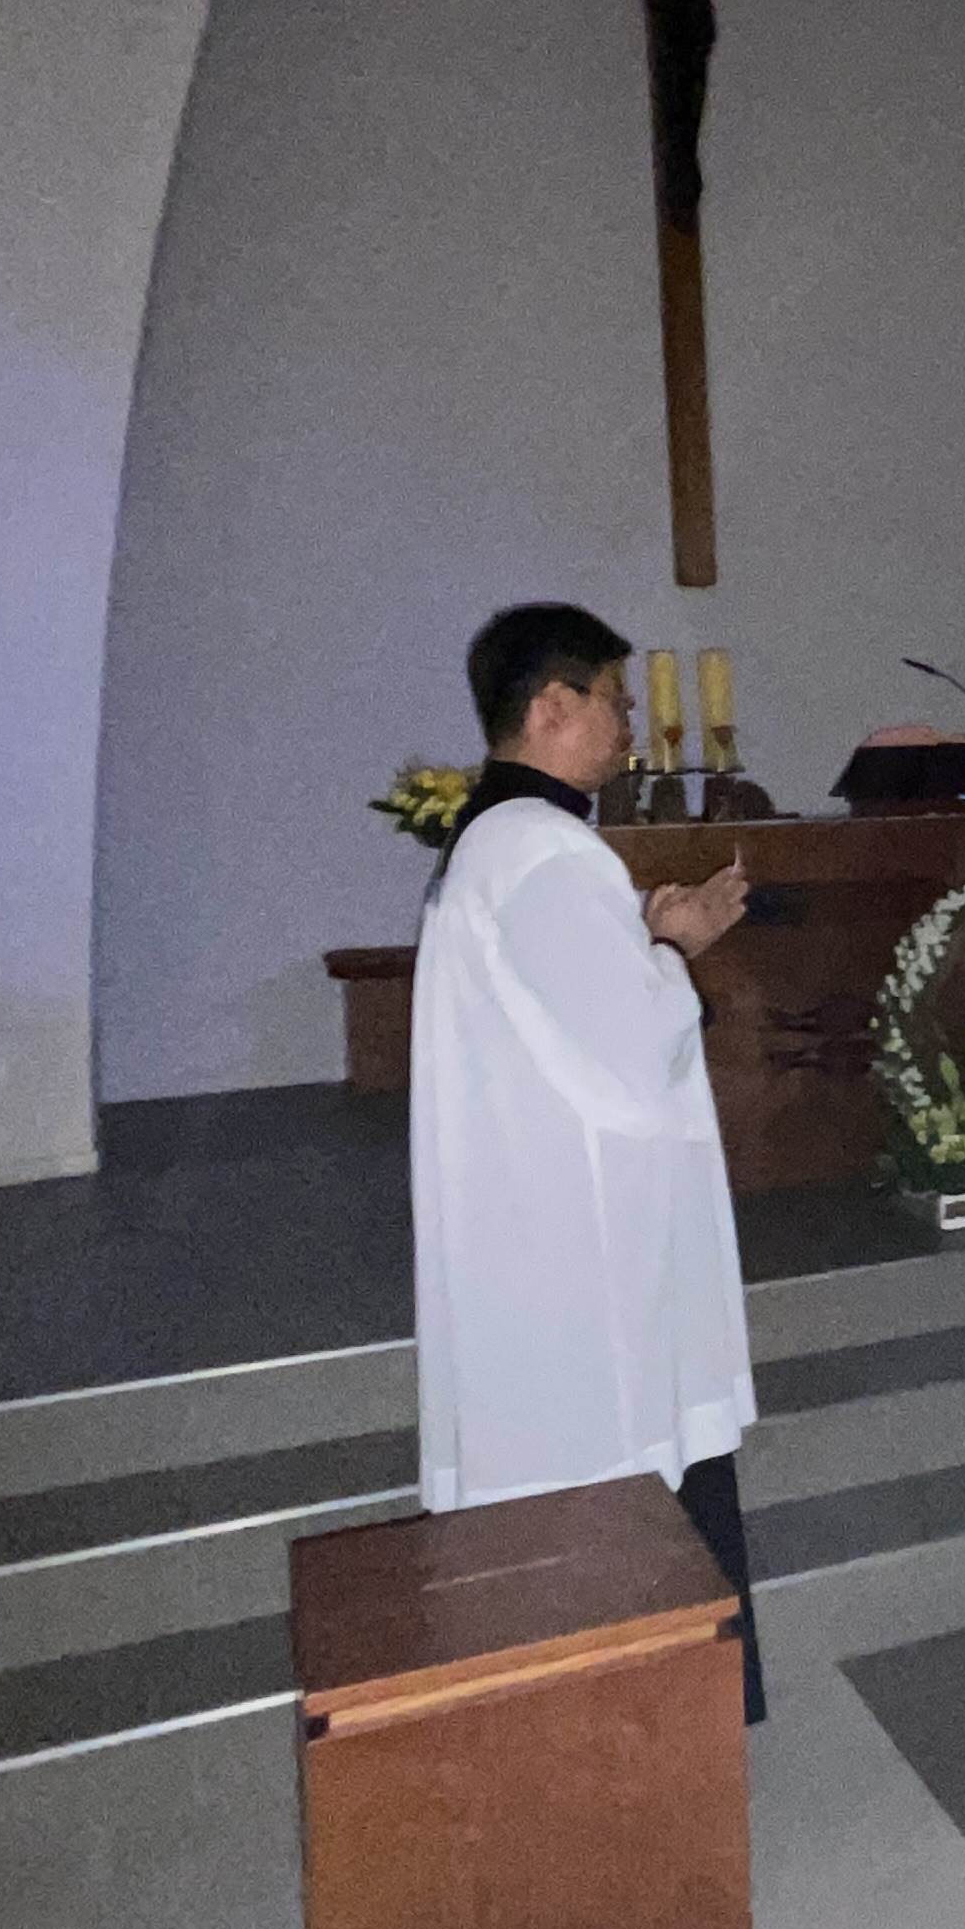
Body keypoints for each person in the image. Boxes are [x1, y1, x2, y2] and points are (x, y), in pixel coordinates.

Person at [411, 602, 767, 1718]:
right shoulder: (543, 850)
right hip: (589, 1249)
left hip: (541, 1220)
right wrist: (675, 948)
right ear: (552, 708)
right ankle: (655, 1737)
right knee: (624, 1477)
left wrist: (650, 939)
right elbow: (629, 1055)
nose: (627, 727)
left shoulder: (502, 843)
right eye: (613, 701)